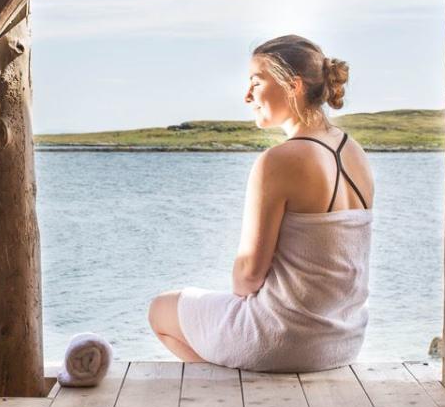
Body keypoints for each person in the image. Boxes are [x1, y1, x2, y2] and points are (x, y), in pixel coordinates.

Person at [148, 35, 374, 372]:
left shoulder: (279, 161)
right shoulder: (354, 152)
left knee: (160, 310)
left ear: (293, 86)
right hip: (343, 342)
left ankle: (234, 386)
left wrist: (237, 301)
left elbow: (248, 276)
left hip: (285, 341)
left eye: (256, 81)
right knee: (215, 311)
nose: (247, 95)